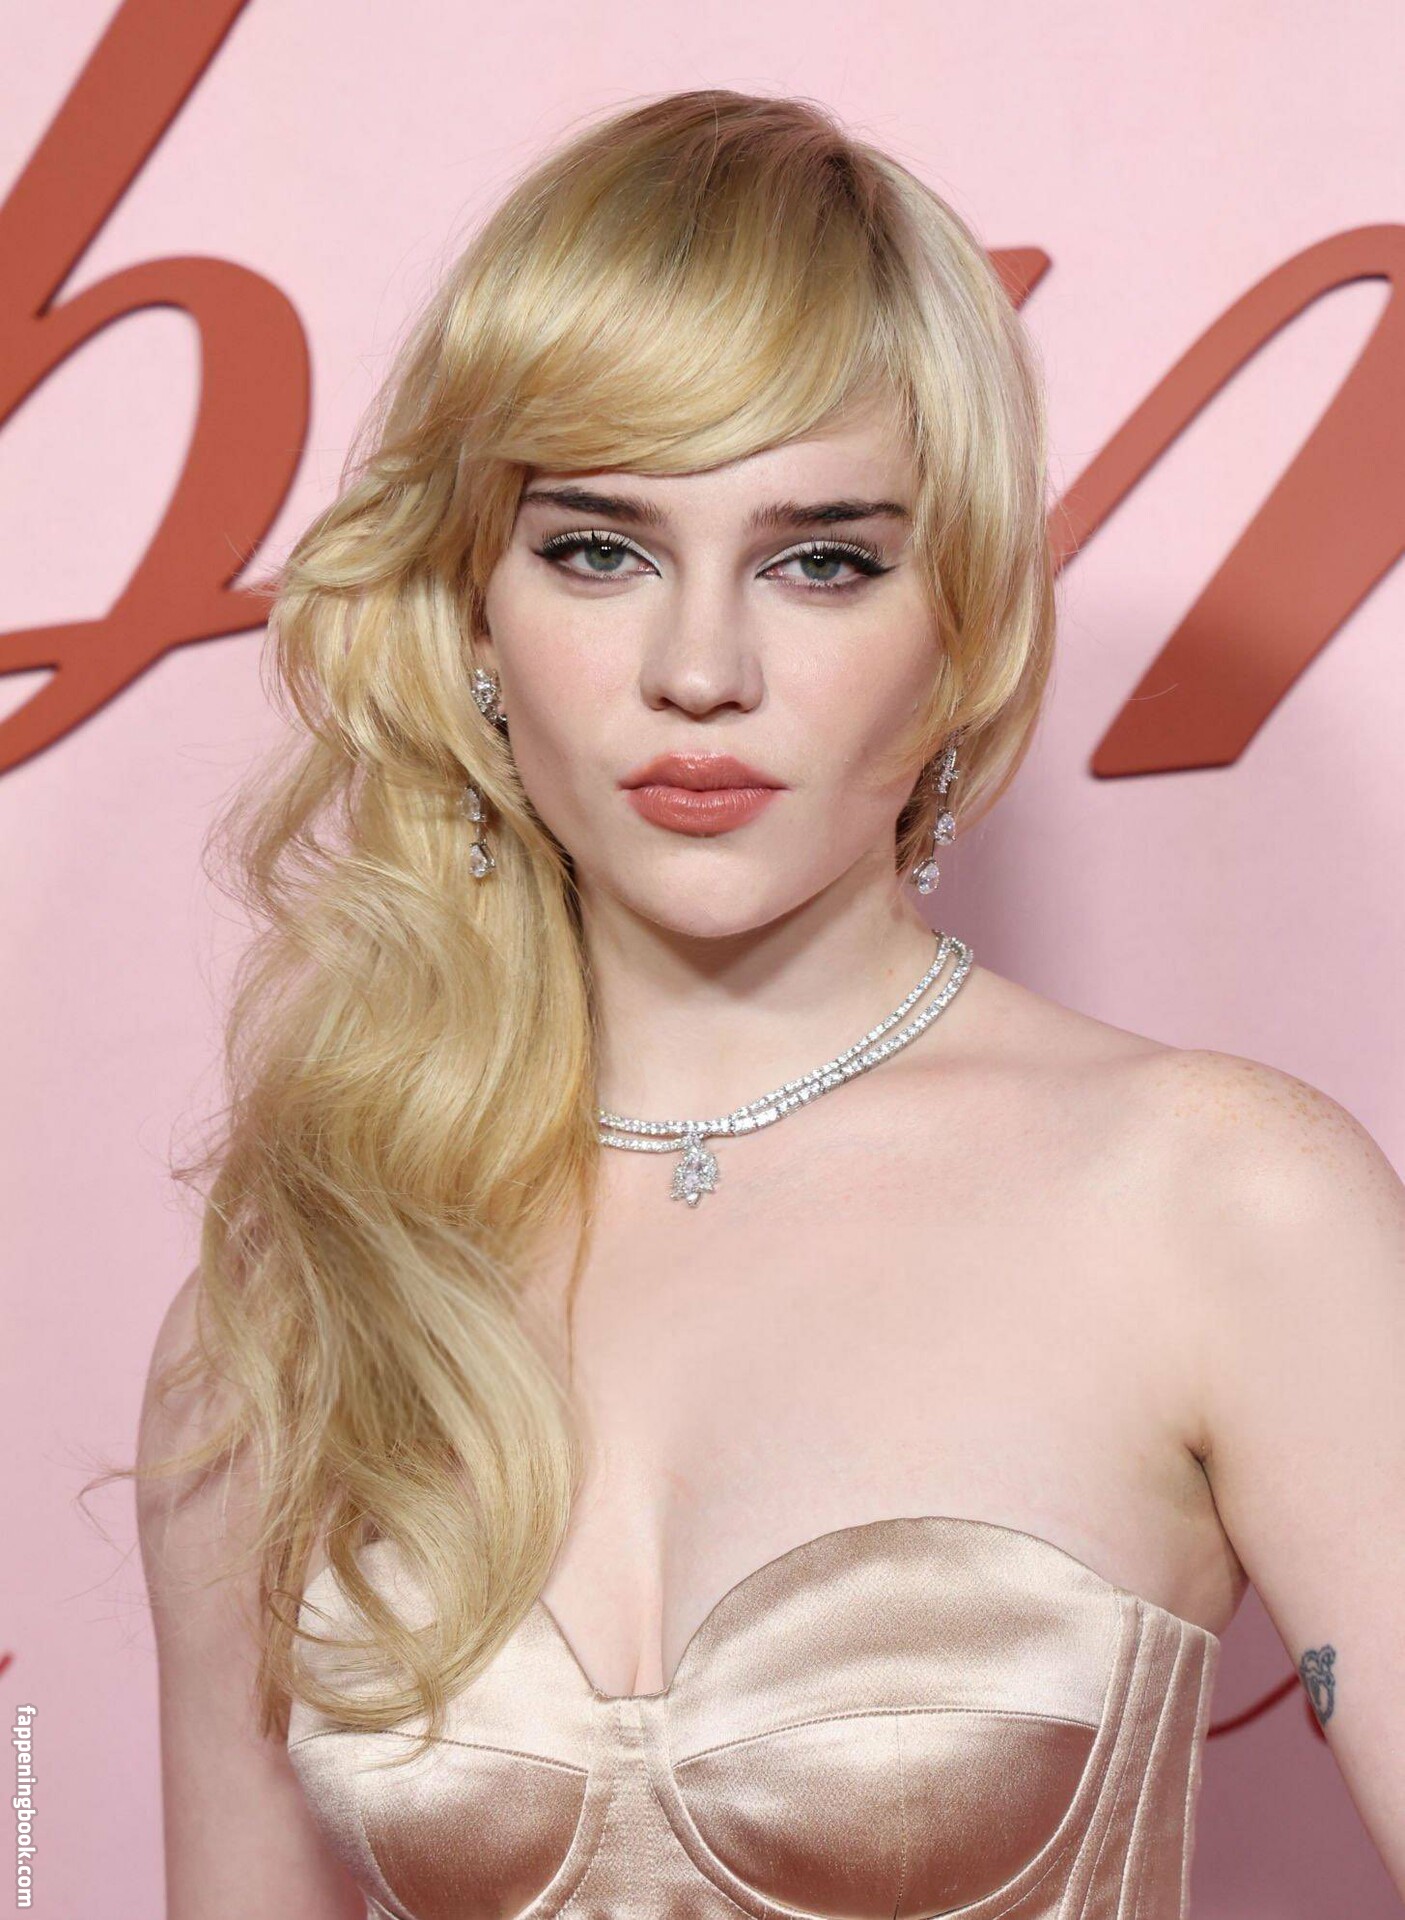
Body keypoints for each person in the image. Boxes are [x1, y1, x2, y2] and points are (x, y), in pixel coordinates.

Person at [130, 88, 1405, 1917]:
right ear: (474, 614)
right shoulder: (302, 1287)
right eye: (598, 548)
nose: (699, 669)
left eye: (822, 560)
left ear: (959, 625)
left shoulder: (1217, 1200)